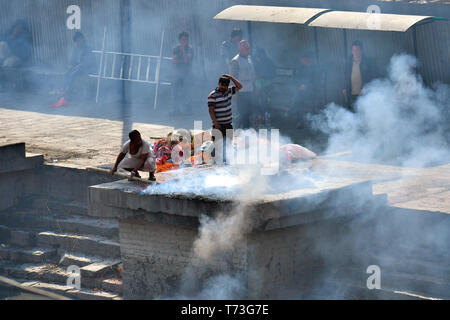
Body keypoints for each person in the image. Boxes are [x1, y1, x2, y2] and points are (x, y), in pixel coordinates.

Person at [51, 32, 96, 108]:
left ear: (82, 39)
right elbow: (72, 60)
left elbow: (87, 63)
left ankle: (69, 94)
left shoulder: (88, 48)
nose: (78, 43)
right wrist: (70, 67)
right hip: (79, 68)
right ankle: (66, 92)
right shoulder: (76, 47)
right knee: (66, 74)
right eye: (76, 41)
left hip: (89, 69)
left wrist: (75, 67)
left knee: (73, 75)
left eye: (79, 41)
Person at [207, 74, 243, 164]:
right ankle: (216, 164)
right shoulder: (212, 96)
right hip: (218, 125)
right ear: (219, 84)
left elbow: (240, 86)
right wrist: (216, 123)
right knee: (218, 146)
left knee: (228, 145)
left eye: (226, 85)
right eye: (222, 85)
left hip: (228, 124)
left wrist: (231, 77)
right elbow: (211, 111)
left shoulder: (229, 91)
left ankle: (227, 163)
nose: (224, 87)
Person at [342, 40, 378, 112]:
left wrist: (368, 88)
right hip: (351, 92)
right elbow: (345, 75)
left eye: (357, 50)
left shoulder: (368, 61)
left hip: (364, 93)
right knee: (352, 112)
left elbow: (374, 76)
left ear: (362, 51)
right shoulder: (348, 61)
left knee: (363, 112)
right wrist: (344, 87)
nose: (355, 52)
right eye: (353, 50)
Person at [292, 51, 323, 129]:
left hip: (313, 91)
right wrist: (300, 85)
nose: (303, 61)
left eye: (304, 59)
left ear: (308, 59)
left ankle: (307, 121)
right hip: (303, 91)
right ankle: (300, 120)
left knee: (298, 99)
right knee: (298, 98)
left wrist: (307, 86)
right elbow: (297, 78)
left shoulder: (315, 68)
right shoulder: (302, 68)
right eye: (302, 60)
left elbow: (316, 82)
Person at [230, 40, 256, 129]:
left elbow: (252, 75)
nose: (248, 50)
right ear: (241, 49)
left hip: (249, 90)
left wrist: (255, 87)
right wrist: (234, 92)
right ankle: (237, 130)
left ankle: (245, 132)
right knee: (243, 114)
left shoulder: (249, 58)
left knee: (248, 113)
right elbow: (233, 78)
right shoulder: (235, 61)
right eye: (246, 48)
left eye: (248, 48)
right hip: (241, 92)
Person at [171, 31, 193, 115]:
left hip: (187, 74)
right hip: (177, 74)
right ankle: (175, 110)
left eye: (186, 40)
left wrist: (183, 50)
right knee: (175, 92)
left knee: (186, 92)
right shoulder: (176, 49)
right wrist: (183, 61)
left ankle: (188, 110)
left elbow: (187, 60)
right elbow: (174, 61)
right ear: (180, 40)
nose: (185, 41)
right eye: (183, 39)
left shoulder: (190, 49)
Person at [254, 47, 276, 126]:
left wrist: (261, 75)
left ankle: (266, 117)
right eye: (256, 57)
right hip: (258, 86)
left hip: (268, 86)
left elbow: (272, 74)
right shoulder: (257, 62)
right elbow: (255, 74)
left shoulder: (269, 63)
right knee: (254, 97)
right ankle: (260, 116)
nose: (257, 58)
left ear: (262, 56)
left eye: (258, 56)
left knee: (263, 98)